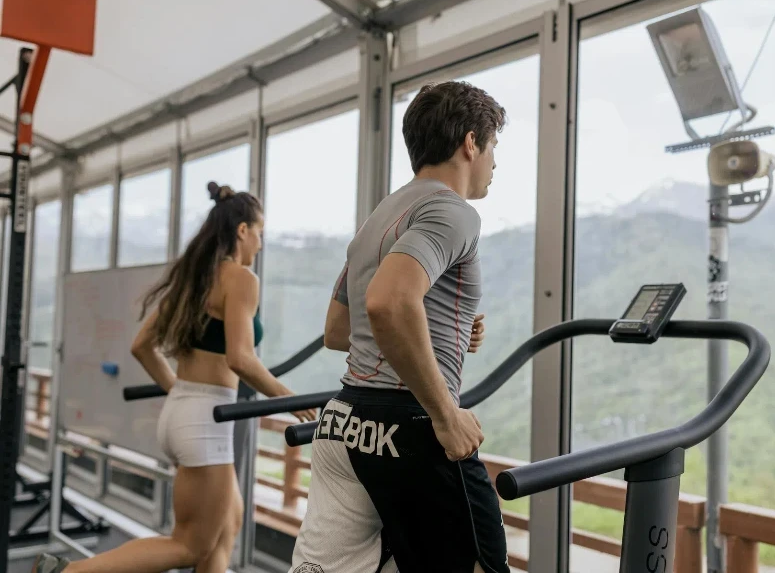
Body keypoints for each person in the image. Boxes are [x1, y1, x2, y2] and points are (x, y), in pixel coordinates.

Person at [32, 183, 316, 573]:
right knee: (188, 547)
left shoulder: (192, 280)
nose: (261, 245)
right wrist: (291, 399)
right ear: (243, 231)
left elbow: (141, 346)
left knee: (228, 525)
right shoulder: (241, 279)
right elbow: (240, 358)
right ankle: (66, 572)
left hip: (185, 411)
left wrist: (179, 393)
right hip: (205, 420)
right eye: (261, 234)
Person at [289, 80, 508, 573]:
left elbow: (340, 330)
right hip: (406, 426)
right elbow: (388, 303)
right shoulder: (453, 210)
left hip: (344, 421)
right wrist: (446, 416)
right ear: (470, 143)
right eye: (493, 146)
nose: (495, 162)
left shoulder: (381, 215)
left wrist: (442, 329)